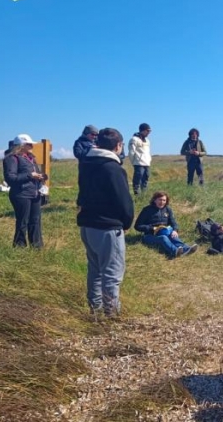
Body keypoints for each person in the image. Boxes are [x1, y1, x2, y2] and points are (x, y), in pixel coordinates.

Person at [77, 128, 134, 318]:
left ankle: (95, 311)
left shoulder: (85, 163)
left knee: (95, 271)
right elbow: (124, 201)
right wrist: (126, 222)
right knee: (112, 274)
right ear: (118, 146)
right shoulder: (113, 168)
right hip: (108, 227)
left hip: (87, 224)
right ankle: (112, 317)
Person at [3, 134, 47, 248]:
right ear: (21, 145)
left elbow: (33, 174)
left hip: (35, 193)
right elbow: (10, 178)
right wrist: (30, 175)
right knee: (23, 221)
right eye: (29, 144)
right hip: (21, 194)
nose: (32, 145)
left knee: (35, 221)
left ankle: (37, 247)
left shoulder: (31, 157)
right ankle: (19, 247)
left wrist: (41, 177)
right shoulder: (11, 158)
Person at [134, 191, 198, 259]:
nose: (162, 202)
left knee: (172, 235)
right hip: (149, 235)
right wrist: (152, 228)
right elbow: (137, 226)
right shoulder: (147, 210)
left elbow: (173, 222)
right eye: (160, 200)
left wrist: (175, 230)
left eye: (164, 200)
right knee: (163, 238)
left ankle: (186, 249)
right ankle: (175, 252)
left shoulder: (167, 209)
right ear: (154, 200)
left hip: (165, 231)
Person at [128, 123, 152, 195]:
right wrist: (134, 162)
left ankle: (144, 194)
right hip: (138, 163)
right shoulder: (134, 139)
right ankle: (137, 194)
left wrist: (149, 160)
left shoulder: (147, 140)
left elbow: (147, 152)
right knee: (138, 179)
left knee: (146, 178)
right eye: (147, 131)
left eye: (149, 131)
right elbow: (131, 152)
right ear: (142, 130)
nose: (149, 133)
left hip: (146, 162)